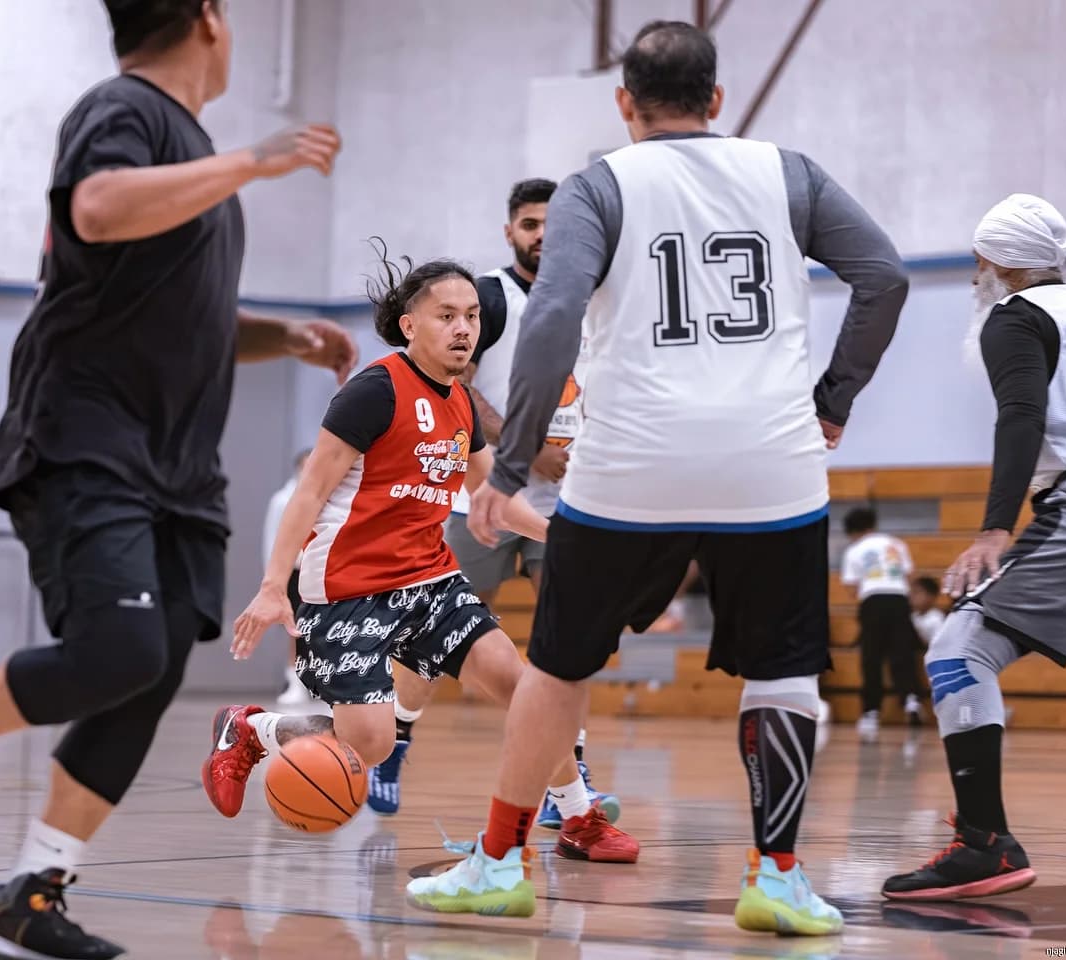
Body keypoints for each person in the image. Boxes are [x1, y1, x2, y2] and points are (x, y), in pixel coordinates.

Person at [0, 4, 357, 958]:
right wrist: (255, 159)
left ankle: (29, 896)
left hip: (177, 471)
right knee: (121, 645)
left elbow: (178, 309)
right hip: (90, 440)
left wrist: (280, 336)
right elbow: (96, 205)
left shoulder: (195, 167)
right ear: (210, 16)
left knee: (150, 670)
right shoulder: (123, 108)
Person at [407, 20, 907, 936]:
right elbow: (884, 276)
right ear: (716, 99)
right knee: (785, 673)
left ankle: (498, 861)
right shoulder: (789, 172)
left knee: (558, 666)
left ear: (622, 103)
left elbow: (553, 315)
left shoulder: (597, 184)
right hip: (772, 461)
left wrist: (509, 465)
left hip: (629, 463)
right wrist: (833, 400)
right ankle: (779, 878)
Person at [204, 248, 640, 875]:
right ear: (411, 325)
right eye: (446, 316)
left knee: (526, 688)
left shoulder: (461, 403)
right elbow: (310, 493)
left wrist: (562, 537)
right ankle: (253, 730)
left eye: (470, 316)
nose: (464, 328)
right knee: (372, 742)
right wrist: (274, 587)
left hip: (430, 580)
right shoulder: (375, 391)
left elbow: (491, 499)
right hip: (346, 589)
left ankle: (577, 817)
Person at [366, 178, 621, 829]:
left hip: (571, 503)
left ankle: (574, 774)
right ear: (511, 231)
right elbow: (457, 386)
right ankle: (395, 741)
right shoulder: (488, 300)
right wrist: (523, 450)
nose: (541, 233)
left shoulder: (596, 296)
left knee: (570, 644)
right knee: (431, 634)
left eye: (551, 222)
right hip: (480, 493)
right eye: (529, 223)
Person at [883, 193, 1066, 901]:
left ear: (993, 264)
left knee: (958, 651)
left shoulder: (1015, 317)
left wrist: (995, 528)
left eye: (979, 259)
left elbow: (1022, 414)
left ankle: (985, 844)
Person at [840, 506, 923, 733]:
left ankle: (871, 711)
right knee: (902, 653)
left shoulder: (854, 549)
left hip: (873, 601)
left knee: (872, 657)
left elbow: (851, 586)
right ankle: (911, 700)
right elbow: (910, 576)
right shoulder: (895, 544)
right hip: (899, 600)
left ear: (853, 531)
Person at [264, 448, 313, 704]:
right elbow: (272, 540)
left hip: (322, 570)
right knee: (296, 629)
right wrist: (274, 581)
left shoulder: (334, 496)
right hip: (294, 572)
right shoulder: (283, 500)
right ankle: (295, 682)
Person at [909, 575, 945, 648]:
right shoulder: (912, 616)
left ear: (931, 596)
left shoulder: (937, 618)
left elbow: (939, 646)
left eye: (916, 592)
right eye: (911, 592)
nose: (911, 596)